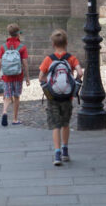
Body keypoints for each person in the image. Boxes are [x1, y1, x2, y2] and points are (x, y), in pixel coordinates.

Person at [38, 29, 83, 166]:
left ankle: (57, 153)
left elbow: (41, 77)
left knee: (55, 125)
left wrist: (50, 83)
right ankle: (65, 151)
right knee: (65, 124)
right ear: (66, 43)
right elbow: (80, 73)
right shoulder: (71, 58)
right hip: (67, 98)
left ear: (53, 44)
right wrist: (73, 82)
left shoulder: (48, 59)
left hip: (53, 98)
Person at [0, 23, 30, 126]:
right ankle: (15, 119)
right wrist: (27, 77)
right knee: (16, 97)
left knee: (7, 96)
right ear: (18, 34)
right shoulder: (22, 47)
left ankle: (5, 112)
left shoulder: (3, 46)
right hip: (18, 76)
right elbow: (24, 63)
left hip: (6, 76)